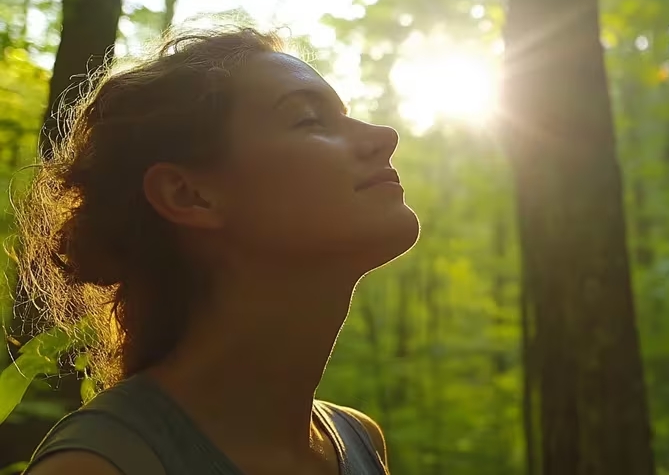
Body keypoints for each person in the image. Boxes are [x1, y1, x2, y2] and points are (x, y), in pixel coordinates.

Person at [17, 26, 418, 474]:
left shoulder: (358, 441)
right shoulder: (98, 466)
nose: (385, 135)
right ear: (190, 195)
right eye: (309, 119)